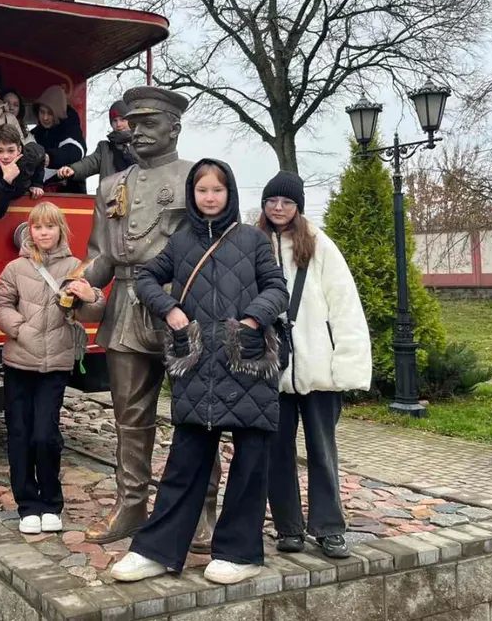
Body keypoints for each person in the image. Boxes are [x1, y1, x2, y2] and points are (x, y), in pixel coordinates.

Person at [110, 158, 288, 585]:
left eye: (217, 190)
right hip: (197, 366)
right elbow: (146, 278)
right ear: (192, 193)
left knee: (250, 464)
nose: (210, 197)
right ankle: (156, 550)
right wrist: (170, 309)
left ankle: (240, 553)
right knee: (185, 463)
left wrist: (252, 320)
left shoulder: (253, 239)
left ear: (230, 193)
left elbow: (277, 288)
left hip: (246, 363)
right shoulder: (181, 241)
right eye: (202, 190)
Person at [81, 87, 216, 546]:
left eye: (148, 124)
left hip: (181, 308)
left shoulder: (197, 179)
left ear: (174, 128)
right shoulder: (110, 186)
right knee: (129, 417)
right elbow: (99, 255)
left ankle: (202, 508)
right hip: (124, 307)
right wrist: (79, 283)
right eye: (132, 123)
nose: (136, 131)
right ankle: (131, 504)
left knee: (197, 414)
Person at [258, 171, 371, 560]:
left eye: (286, 202)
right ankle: (288, 526)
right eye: (272, 200)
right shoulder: (253, 244)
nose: (278, 208)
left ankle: (329, 528)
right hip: (272, 369)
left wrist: (347, 364)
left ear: (298, 207)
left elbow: (344, 306)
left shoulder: (320, 246)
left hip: (318, 368)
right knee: (277, 452)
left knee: (322, 452)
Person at [0, 203, 105, 535]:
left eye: (50, 227)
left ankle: (51, 503)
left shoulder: (75, 268)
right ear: (30, 231)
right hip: (19, 361)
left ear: (61, 231)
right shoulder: (16, 268)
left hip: (55, 363)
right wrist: (23, 331)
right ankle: (27, 505)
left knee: (46, 435)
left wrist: (90, 296)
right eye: (38, 227)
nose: (43, 233)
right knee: (19, 434)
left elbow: (92, 312)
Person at [58, 100, 137, 185]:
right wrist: (73, 169)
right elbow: (90, 163)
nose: (118, 124)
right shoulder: (105, 148)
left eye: (122, 119)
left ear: (131, 120)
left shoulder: (141, 144)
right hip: (111, 192)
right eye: (115, 120)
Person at [31, 86, 86, 194]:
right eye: (42, 112)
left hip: (69, 193)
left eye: (50, 113)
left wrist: (50, 157)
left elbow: (75, 151)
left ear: (58, 113)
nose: (45, 118)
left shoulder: (70, 129)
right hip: (38, 192)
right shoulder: (34, 134)